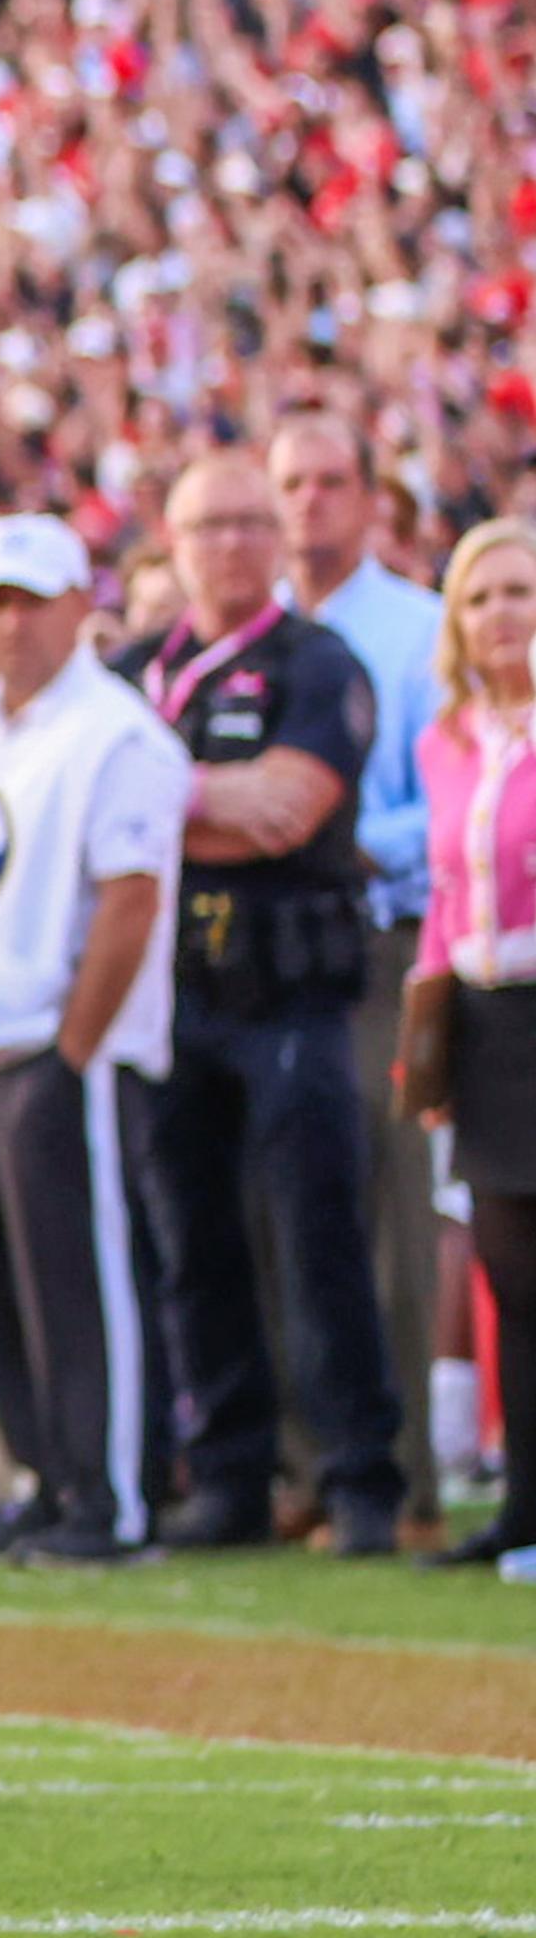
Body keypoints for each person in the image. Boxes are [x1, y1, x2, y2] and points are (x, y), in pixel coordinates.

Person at [0, 518, 185, 1569]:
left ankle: (104, 1496)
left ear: (78, 607)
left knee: (77, 1280)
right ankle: (39, 1475)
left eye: (28, 600)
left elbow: (128, 902)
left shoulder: (116, 734)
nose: (7, 621)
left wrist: (70, 1049)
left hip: (47, 1044)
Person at [123, 452, 399, 1555]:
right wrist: (199, 804)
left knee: (316, 1239)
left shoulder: (315, 661)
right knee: (191, 1243)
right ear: (172, 540)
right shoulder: (135, 664)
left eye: (249, 522)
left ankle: (358, 1478)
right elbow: (84, 811)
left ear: (275, 537)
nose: (230, 544)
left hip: (288, 992)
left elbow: (288, 807)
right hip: (169, 988)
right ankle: (229, 1476)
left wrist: (145, 800)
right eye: (207, 526)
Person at [273, 418, 460, 1515]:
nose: (307, 504)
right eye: (289, 484)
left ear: (367, 497)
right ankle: (307, 1467)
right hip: (264, 944)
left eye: (327, 483)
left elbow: (443, 798)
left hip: (379, 939)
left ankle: (400, 1479)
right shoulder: (254, 632)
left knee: (386, 1214)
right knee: (282, 1208)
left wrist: (330, 836)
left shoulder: (411, 629)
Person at [404, 518, 536, 1571]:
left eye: (519, 592)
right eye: (482, 595)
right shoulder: (444, 740)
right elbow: (443, 899)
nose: (502, 615)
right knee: (507, 1265)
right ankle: (521, 1507)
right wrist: (427, 1039)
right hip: (484, 1018)